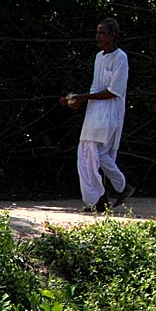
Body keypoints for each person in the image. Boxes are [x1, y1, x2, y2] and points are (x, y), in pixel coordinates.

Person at [60, 18, 134, 213]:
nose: (98, 37)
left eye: (102, 33)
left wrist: (84, 98)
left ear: (112, 36)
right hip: (95, 111)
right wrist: (73, 100)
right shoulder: (99, 57)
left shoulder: (121, 58)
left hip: (111, 111)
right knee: (86, 155)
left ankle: (122, 186)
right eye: (97, 33)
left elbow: (113, 91)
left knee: (98, 153)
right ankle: (99, 200)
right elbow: (96, 87)